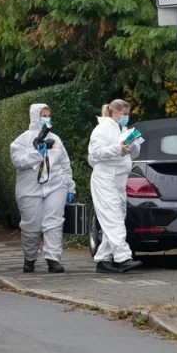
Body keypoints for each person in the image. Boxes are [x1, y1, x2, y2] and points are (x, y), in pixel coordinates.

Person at [10, 104, 76, 274]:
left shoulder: (56, 140)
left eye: (48, 115)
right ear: (34, 116)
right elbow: (18, 161)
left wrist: (70, 186)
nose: (46, 118)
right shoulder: (21, 140)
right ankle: (30, 258)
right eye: (42, 115)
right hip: (29, 189)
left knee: (54, 222)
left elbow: (64, 164)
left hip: (56, 185)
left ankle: (53, 259)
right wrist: (37, 153)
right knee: (31, 226)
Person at [88, 99, 143, 273]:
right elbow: (95, 153)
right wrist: (118, 149)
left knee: (115, 217)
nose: (127, 117)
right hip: (105, 178)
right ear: (115, 112)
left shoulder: (124, 130)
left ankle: (103, 259)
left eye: (128, 114)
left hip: (119, 179)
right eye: (125, 114)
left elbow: (129, 155)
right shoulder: (102, 129)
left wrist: (133, 146)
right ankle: (123, 257)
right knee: (114, 218)